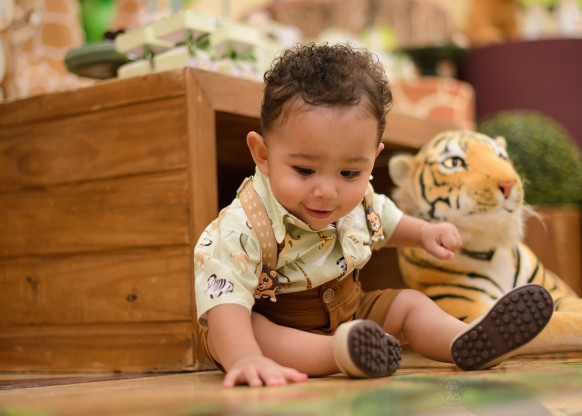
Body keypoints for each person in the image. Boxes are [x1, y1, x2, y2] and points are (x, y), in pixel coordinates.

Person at [194, 43, 553, 388]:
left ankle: (464, 339)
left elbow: (386, 221)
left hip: (351, 316)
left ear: (372, 159)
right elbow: (224, 300)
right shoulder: (243, 226)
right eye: (305, 170)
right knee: (251, 328)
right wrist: (243, 357)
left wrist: (424, 233)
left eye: (349, 173)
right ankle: (338, 354)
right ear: (262, 153)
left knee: (409, 305)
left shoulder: (359, 200)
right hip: (276, 327)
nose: (327, 191)